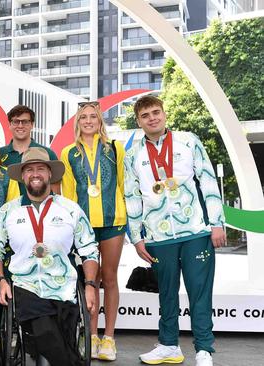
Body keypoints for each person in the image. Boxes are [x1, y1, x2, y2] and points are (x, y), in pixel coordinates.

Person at [125, 95, 226, 366]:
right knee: (166, 293)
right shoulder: (133, 154)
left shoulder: (188, 140)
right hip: (158, 236)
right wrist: (136, 237)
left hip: (195, 230)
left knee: (199, 292)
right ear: (139, 121)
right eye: (145, 116)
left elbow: (207, 180)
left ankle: (204, 349)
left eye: (156, 112)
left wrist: (216, 222)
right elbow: (132, 196)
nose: (152, 118)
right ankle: (169, 345)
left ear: (164, 113)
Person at [0, 147, 99, 366]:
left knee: (57, 329)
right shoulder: (7, 212)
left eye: (40, 169)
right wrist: (1, 281)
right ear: (22, 176)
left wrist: (90, 285)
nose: (35, 174)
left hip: (63, 286)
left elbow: (89, 250)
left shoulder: (71, 209)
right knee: (44, 327)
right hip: (25, 285)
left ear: (50, 174)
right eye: (29, 170)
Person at [60, 101, 126, 361]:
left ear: (100, 120)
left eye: (93, 116)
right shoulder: (68, 153)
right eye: (83, 117)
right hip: (83, 225)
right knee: (90, 279)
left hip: (112, 221)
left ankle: (109, 338)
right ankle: (92, 335)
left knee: (109, 277)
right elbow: (67, 192)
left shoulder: (115, 149)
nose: (88, 121)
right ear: (78, 122)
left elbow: (123, 184)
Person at [0, 105, 60, 194]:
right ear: (10, 125)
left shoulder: (47, 153)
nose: (20, 126)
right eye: (16, 121)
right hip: (7, 207)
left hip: (39, 207)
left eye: (25, 122)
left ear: (32, 125)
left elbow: (55, 191)